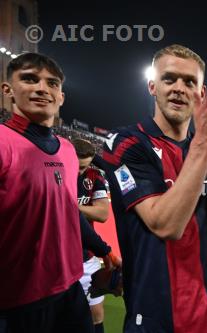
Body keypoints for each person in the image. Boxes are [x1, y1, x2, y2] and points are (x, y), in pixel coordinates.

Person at [101, 44, 207, 332]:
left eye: (190, 82)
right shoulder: (126, 143)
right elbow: (166, 225)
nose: (179, 88)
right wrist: (205, 143)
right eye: (169, 79)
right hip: (161, 319)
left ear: (201, 94)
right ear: (153, 87)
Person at [0, 53, 93, 332]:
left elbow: (68, 211)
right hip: (17, 304)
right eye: (29, 79)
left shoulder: (67, 149)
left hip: (70, 291)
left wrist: (106, 251)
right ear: (8, 90)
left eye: (52, 83)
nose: (42, 88)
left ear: (61, 97)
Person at [72, 138, 111, 333]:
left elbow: (103, 214)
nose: (79, 172)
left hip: (87, 256)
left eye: (84, 167)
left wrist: (70, 206)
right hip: (58, 258)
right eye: (77, 166)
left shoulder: (94, 176)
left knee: (96, 314)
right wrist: (88, 209)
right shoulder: (56, 171)